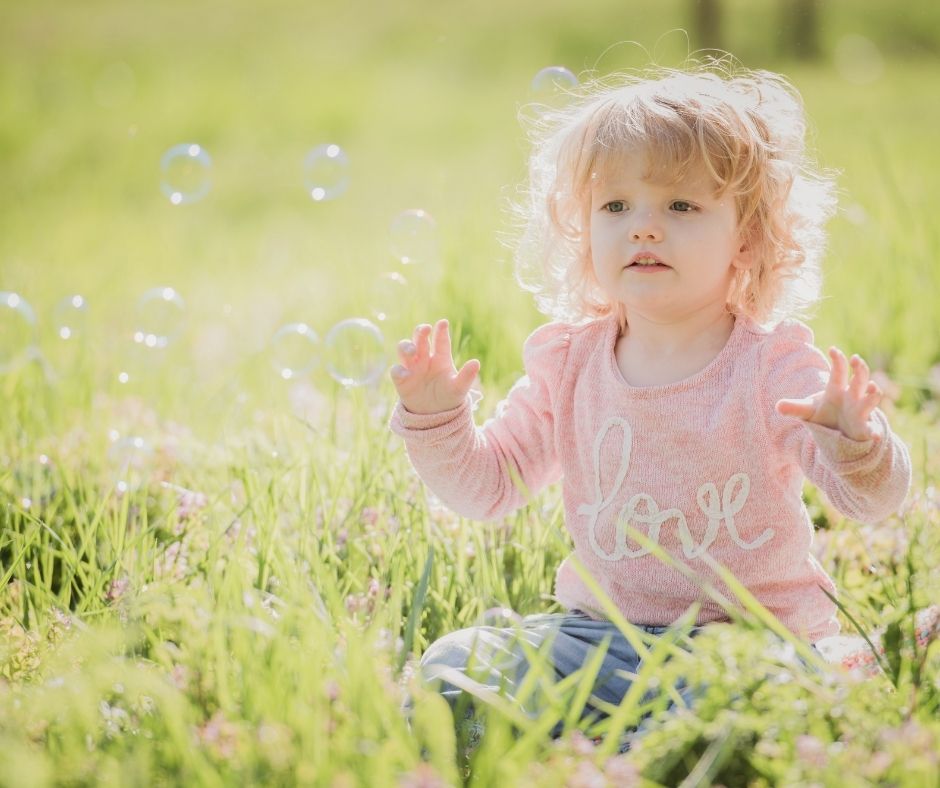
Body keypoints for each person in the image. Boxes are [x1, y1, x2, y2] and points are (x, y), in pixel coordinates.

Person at [387, 62, 912, 752]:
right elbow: (489, 488)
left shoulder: (771, 365)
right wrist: (437, 421)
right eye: (615, 207)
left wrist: (856, 443)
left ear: (748, 239)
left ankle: (678, 736)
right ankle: (646, 739)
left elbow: (873, 501)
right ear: (583, 231)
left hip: (745, 643)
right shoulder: (571, 362)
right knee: (457, 664)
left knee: (757, 695)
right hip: (598, 639)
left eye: (681, 206)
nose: (643, 229)